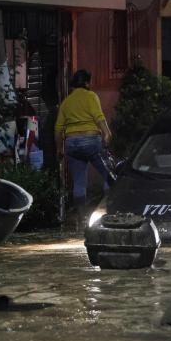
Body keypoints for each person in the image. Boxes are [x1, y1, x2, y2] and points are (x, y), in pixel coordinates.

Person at [55, 70, 112, 229]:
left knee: (79, 182)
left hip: (72, 144)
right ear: (87, 83)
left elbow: (58, 128)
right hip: (91, 140)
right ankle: (107, 210)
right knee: (109, 175)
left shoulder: (66, 102)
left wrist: (59, 148)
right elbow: (98, 116)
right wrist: (107, 133)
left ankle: (81, 218)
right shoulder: (91, 96)